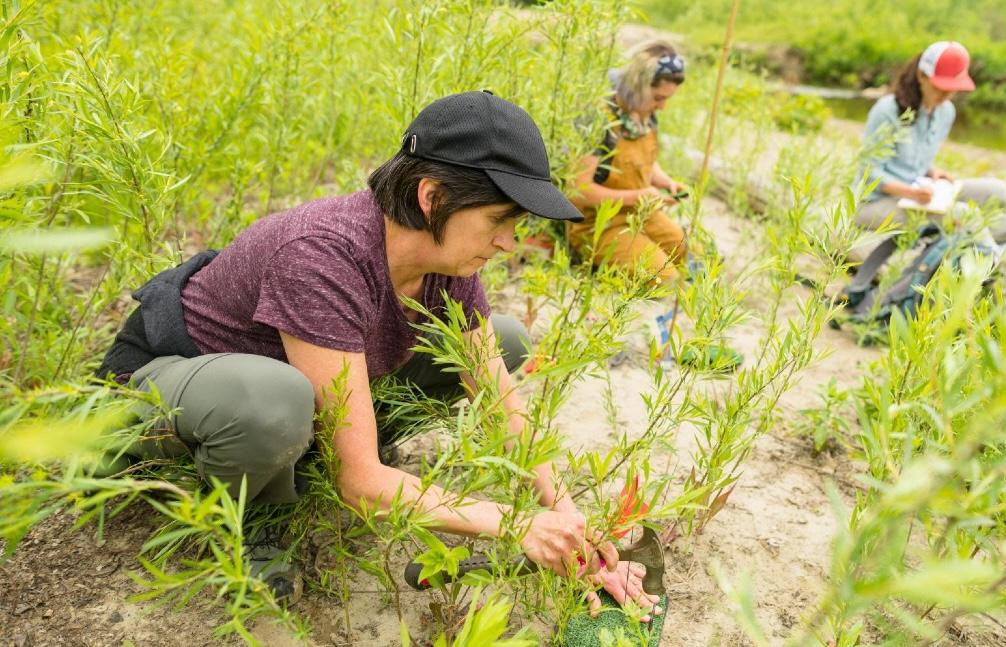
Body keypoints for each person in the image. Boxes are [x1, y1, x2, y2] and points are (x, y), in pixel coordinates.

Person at [95, 91, 661, 618]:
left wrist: (565, 515)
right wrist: (517, 526)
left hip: (289, 379)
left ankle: (316, 446)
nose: (510, 243)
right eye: (499, 221)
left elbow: (498, 397)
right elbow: (359, 483)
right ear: (432, 198)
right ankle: (258, 510)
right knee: (274, 404)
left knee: (507, 339)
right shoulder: (323, 255)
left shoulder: (445, 262)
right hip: (166, 384)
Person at [854, 41, 1006, 252]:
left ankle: (996, 250)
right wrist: (910, 192)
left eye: (953, 89)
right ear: (922, 76)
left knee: (998, 191)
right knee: (962, 212)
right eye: (941, 87)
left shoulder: (946, 111)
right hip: (877, 203)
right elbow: (869, 172)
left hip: (921, 193)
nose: (947, 96)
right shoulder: (887, 110)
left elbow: (916, 161)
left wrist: (933, 172)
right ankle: (987, 263)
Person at [568, 40, 690, 286]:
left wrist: (664, 181)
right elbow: (577, 193)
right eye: (658, 97)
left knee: (681, 248)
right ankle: (593, 262)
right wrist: (640, 196)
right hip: (598, 223)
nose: (662, 106)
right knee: (664, 278)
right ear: (638, 86)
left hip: (639, 214)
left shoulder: (645, 113)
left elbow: (644, 162)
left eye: (667, 99)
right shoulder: (598, 118)